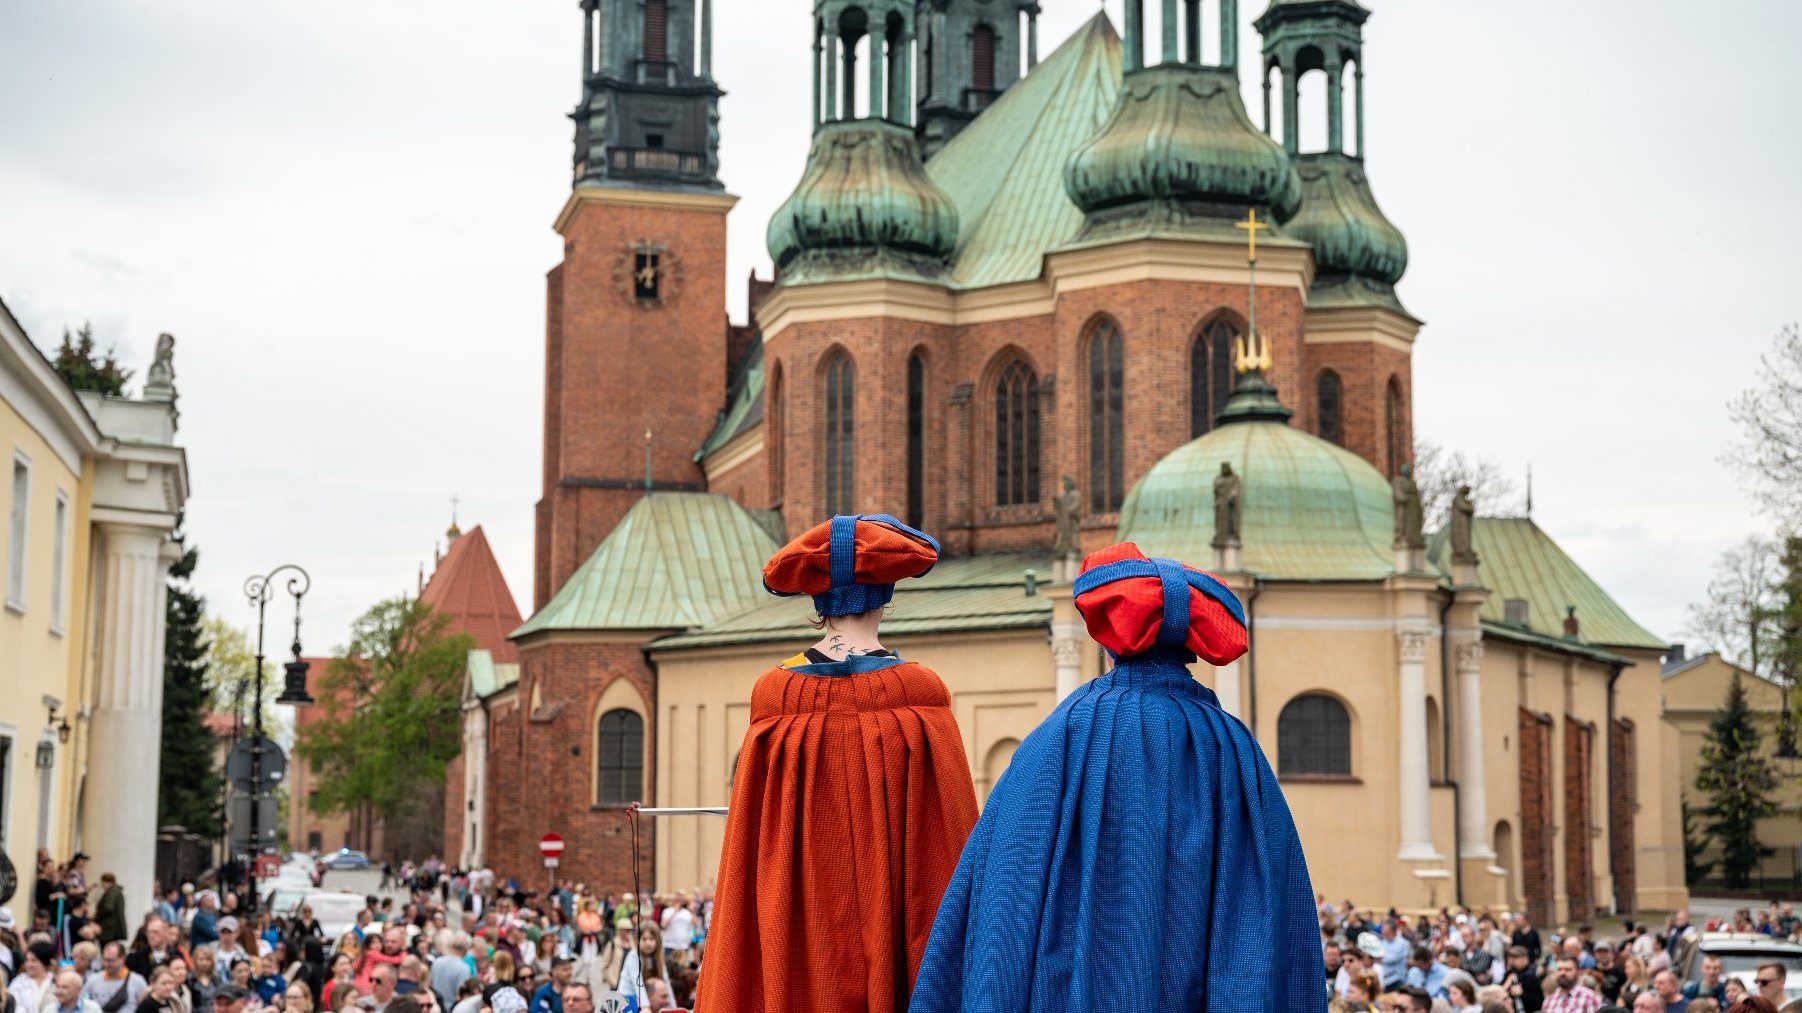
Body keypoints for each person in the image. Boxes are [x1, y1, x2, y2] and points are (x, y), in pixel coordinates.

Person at [912, 543, 1321, 1011]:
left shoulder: (1061, 736)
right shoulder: (1233, 748)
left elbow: (1004, 892)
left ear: (1109, 640)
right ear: (1190, 644)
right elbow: (1269, 910)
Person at [696, 515, 978, 1013]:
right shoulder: (921, 694)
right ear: (885, 595)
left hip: (799, 936)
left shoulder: (774, 697)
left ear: (817, 602)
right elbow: (949, 846)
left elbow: (749, 855)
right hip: (897, 926)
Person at [82, 943, 148, 1013]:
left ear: (122, 959)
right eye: (104, 960)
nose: (106, 964)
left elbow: (145, 1008)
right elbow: (84, 1004)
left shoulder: (138, 981)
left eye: (111, 961)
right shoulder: (92, 980)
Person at [10, 942, 55, 1013]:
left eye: (33, 960)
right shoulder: (18, 982)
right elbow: (13, 1005)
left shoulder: (55, 980)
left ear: (44, 962)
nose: (28, 964)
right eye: (26, 960)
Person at [427, 939, 470, 1011]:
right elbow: (460, 995)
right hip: (450, 1009)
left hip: (435, 1007)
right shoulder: (464, 968)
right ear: (466, 950)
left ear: (452, 947)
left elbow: (429, 983)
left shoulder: (437, 961)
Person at [1500, 945, 1545, 1013]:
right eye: (1509, 958)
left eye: (1514, 958)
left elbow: (1539, 1002)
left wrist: (1522, 993)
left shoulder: (1532, 975)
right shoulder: (1509, 973)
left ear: (1525, 959)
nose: (1510, 962)